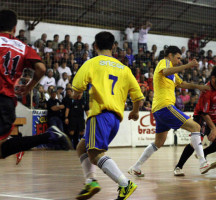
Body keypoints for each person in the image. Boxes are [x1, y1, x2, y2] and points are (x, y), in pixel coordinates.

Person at [72, 31, 144, 200]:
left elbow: (76, 90)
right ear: (113, 46)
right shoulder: (125, 69)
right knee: (82, 148)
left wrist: (78, 95)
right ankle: (90, 181)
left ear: (95, 46)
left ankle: (125, 184)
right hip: (115, 120)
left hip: (99, 115)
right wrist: (134, 111)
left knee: (95, 154)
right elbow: (139, 97)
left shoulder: (92, 63)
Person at [128, 46, 216, 177]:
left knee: (158, 143)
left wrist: (199, 87)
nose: (179, 61)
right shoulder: (164, 63)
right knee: (196, 127)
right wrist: (188, 65)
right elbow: (165, 71)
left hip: (159, 110)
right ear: (170, 55)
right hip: (165, 107)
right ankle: (203, 163)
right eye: (178, 58)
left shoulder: (173, 74)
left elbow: (182, 84)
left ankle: (136, 167)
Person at [0, 10, 72, 161]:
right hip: (5, 102)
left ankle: (49, 136)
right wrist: (29, 87)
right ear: (14, 29)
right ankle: (49, 136)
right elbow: (41, 68)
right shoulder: (22, 47)